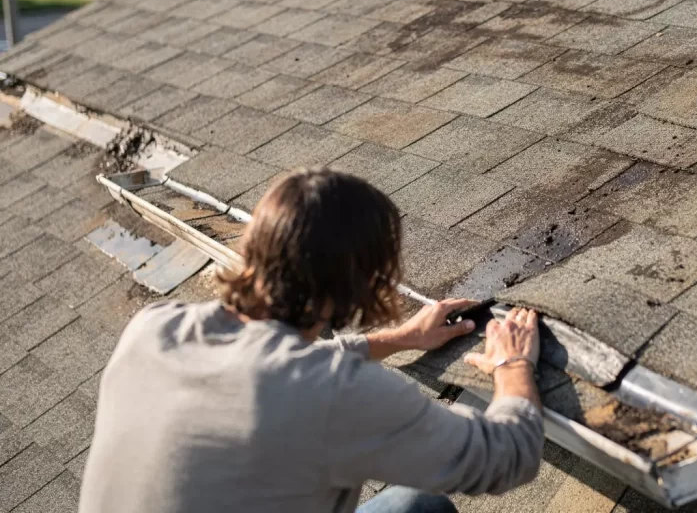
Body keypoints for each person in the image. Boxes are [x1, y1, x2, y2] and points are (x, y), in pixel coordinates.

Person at [79, 169, 545, 513]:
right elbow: (507, 455)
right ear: (360, 283)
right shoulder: (334, 395)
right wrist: (513, 367)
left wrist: (401, 338)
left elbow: (272, 372)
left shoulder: (155, 328)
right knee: (426, 509)